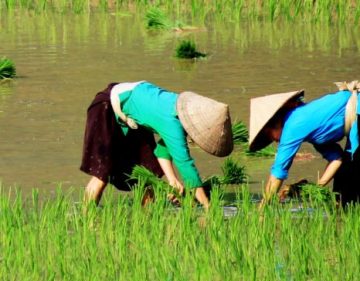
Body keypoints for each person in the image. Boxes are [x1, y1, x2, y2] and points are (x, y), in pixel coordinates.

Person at [80, 81, 233, 208]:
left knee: (148, 173)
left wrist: (172, 180)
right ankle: (86, 222)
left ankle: (144, 223)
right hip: (107, 106)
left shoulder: (179, 110)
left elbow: (162, 152)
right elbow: (186, 167)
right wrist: (208, 207)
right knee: (102, 173)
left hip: (135, 116)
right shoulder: (172, 123)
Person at [248, 80, 360, 205]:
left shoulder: (292, 124)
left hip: (358, 111)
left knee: (349, 190)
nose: (273, 140)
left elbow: (278, 172)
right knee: (343, 191)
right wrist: (315, 189)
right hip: (355, 124)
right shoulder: (315, 133)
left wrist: (263, 206)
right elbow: (337, 159)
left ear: (275, 122)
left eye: (269, 135)